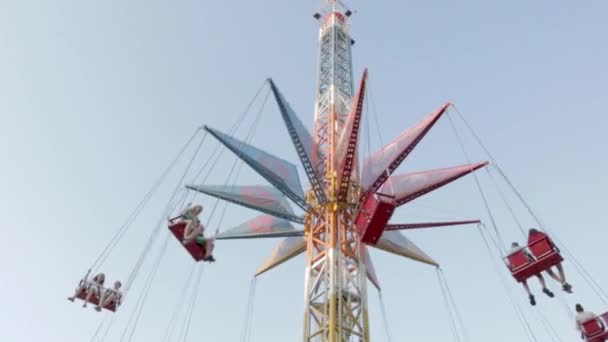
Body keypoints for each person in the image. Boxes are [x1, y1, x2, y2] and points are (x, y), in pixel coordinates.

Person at [528, 228, 573, 293]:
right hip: (550, 253)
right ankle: (564, 282)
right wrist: (555, 247)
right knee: (559, 268)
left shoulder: (529, 241)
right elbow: (550, 242)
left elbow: (532, 252)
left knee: (550, 272)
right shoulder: (541, 234)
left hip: (541, 258)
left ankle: (562, 283)